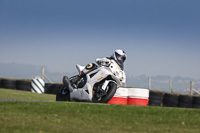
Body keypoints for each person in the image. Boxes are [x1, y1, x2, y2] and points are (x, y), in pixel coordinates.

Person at [63, 49, 127, 102]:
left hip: (109, 75)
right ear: (115, 55)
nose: (121, 60)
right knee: (93, 65)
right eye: (120, 58)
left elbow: (123, 78)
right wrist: (102, 61)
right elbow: (97, 60)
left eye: (122, 59)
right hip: (98, 71)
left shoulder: (120, 69)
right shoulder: (108, 59)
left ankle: (96, 91)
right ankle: (76, 79)